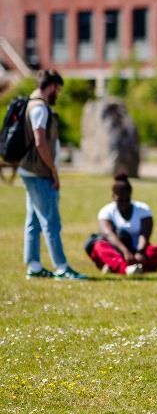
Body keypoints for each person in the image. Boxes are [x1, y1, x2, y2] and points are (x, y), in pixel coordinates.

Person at [19, 69, 87, 280]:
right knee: (51, 222)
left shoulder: (29, 104)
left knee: (34, 220)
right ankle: (61, 266)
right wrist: (53, 170)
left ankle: (35, 265)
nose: (58, 93)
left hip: (28, 170)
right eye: (57, 89)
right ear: (50, 86)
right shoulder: (40, 108)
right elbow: (40, 142)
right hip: (39, 172)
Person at [87, 173, 157, 276]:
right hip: (116, 250)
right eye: (120, 200)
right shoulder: (106, 211)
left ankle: (115, 267)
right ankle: (127, 269)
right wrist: (125, 252)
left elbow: (145, 234)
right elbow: (108, 234)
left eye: (127, 200)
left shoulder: (143, 209)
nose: (124, 204)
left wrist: (140, 251)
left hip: (138, 250)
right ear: (113, 196)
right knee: (99, 248)